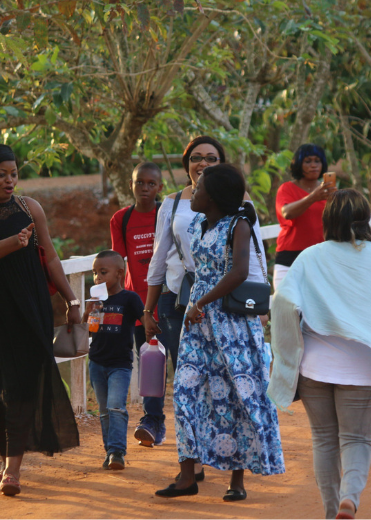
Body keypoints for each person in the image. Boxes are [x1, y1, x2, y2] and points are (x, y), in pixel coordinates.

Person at [269, 189, 371, 519]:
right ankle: (349, 499)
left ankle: (329, 511)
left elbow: (281, 302)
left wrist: (285, 352)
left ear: (328, 219)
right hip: (360, 368)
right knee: (356, 439)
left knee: (324, 441)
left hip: (314, 367)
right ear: (365, 218)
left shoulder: (310, 257)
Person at [0, 144, 80, 496]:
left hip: (30, 305)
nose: (9, 180)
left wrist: (71, 299)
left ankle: (12, 469)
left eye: (13, 173)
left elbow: (52, 259)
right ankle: (7, 461)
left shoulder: (29, 207)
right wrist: (14, 241)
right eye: (1, 174)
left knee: (24, 382)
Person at [154, 164, 284, 500]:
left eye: (198, 190)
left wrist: (203, 301)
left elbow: (240, 271)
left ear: (213, 197)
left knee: (235, 397)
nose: (192, 192)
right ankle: (187, 476)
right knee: (184, 393)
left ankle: (236, 482)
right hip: (198, 321)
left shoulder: (238, 225)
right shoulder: (197, 222)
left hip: (230, 322)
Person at [142, 136, 267, 459]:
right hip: (180, 300)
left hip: (228, 303)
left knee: (225, 382)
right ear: (186, 164)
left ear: (221, 164)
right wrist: (148, 309)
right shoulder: (171, 203)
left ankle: (226, 456)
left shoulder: (241, 203)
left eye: (211, 159)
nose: (203, 164)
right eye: (196, 158)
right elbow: (158, 257)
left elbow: (254, 256)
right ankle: (191, 459)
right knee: (187, 380)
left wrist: (261, 302)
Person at [109, 162, 164, 439]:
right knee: (150, 361)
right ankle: (153, 421)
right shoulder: (122, 219)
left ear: (160, 187)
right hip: (140, 305)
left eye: (150, 183)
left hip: (169, 300)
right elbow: (118, 264)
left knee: (183, 360)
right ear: (131, 184)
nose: (144, 188)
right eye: (139, 182)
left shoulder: (167, 214)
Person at [85, 251, 144, 471]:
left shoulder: (129, 299)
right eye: (94, 273)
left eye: (103, 272)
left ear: (119, 273)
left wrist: (153, 328)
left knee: (116, 407)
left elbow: (144, 318)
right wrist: (89, 311)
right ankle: (110, 451)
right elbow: (90, 329)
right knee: (103, 410)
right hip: (97, 362)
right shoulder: (96, 300)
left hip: (120, 364)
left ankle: (117, 452)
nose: (97, 277)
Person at [273, 144, 334, 289]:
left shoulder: (328, 190)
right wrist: (313, 197)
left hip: (321, 257)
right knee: (287, 307)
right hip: (290, 257)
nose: (313, 165)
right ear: (299, 164)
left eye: (317, 161)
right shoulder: (287, 188)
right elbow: (287, 213)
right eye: (308, 161)